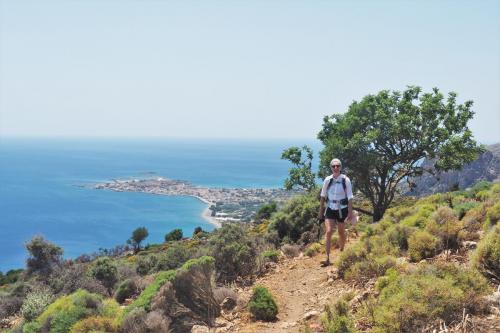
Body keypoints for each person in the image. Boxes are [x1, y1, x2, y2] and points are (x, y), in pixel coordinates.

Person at [318, 158, 353, 267]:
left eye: (338, 166)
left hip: (342, 209)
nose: (336, 168)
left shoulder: (345, 180)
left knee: (341, 232)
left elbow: (350, 197)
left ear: (340, 167)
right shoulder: (327, 180)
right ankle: (327, 258)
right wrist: (320, 212)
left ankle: (342, 250)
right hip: (330, 208)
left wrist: (350, 213)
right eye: (333, 166)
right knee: (328, 232)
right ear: (331, 168)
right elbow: (323, 196)